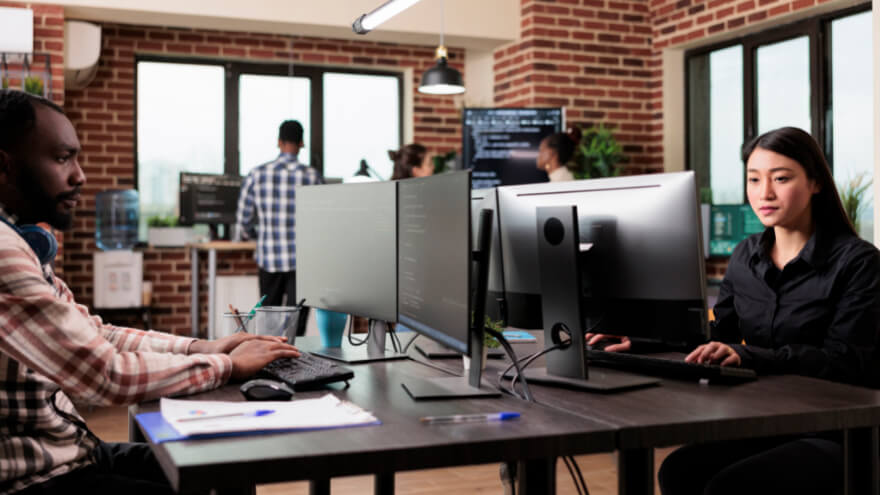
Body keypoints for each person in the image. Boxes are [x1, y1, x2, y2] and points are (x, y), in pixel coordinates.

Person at [0, 89, 301, 495]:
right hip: (37, 475)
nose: (79, 175)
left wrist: (202, 347)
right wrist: (229, 366)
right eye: (61, 158)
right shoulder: (5, 253)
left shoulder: (22, 242)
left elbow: (98, 333)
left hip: (71, 451)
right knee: (221, 476)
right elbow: (106, 374)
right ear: (4, 167)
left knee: (222, 467)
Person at [621, 127, 878, 495]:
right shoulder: (746, 255)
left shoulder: (858, 262)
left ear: (816, 183)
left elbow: (846, 361)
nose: (764, 193)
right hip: (766, 419)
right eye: (754, 179)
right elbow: (715, 337)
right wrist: (640, 340)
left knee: (731, 486)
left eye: (781, 178)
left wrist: (746, 354)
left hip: (836, 430)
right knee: (680, 469)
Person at [236, 120, 321, 309]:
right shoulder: (313, 177)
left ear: (279, 142)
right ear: (301, 143)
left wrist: (256, 236)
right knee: (295, 327)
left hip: (269, 257)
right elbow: (321, 223)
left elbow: (243, 220)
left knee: (268, 323)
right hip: (303, 263)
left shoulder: (257, 174)